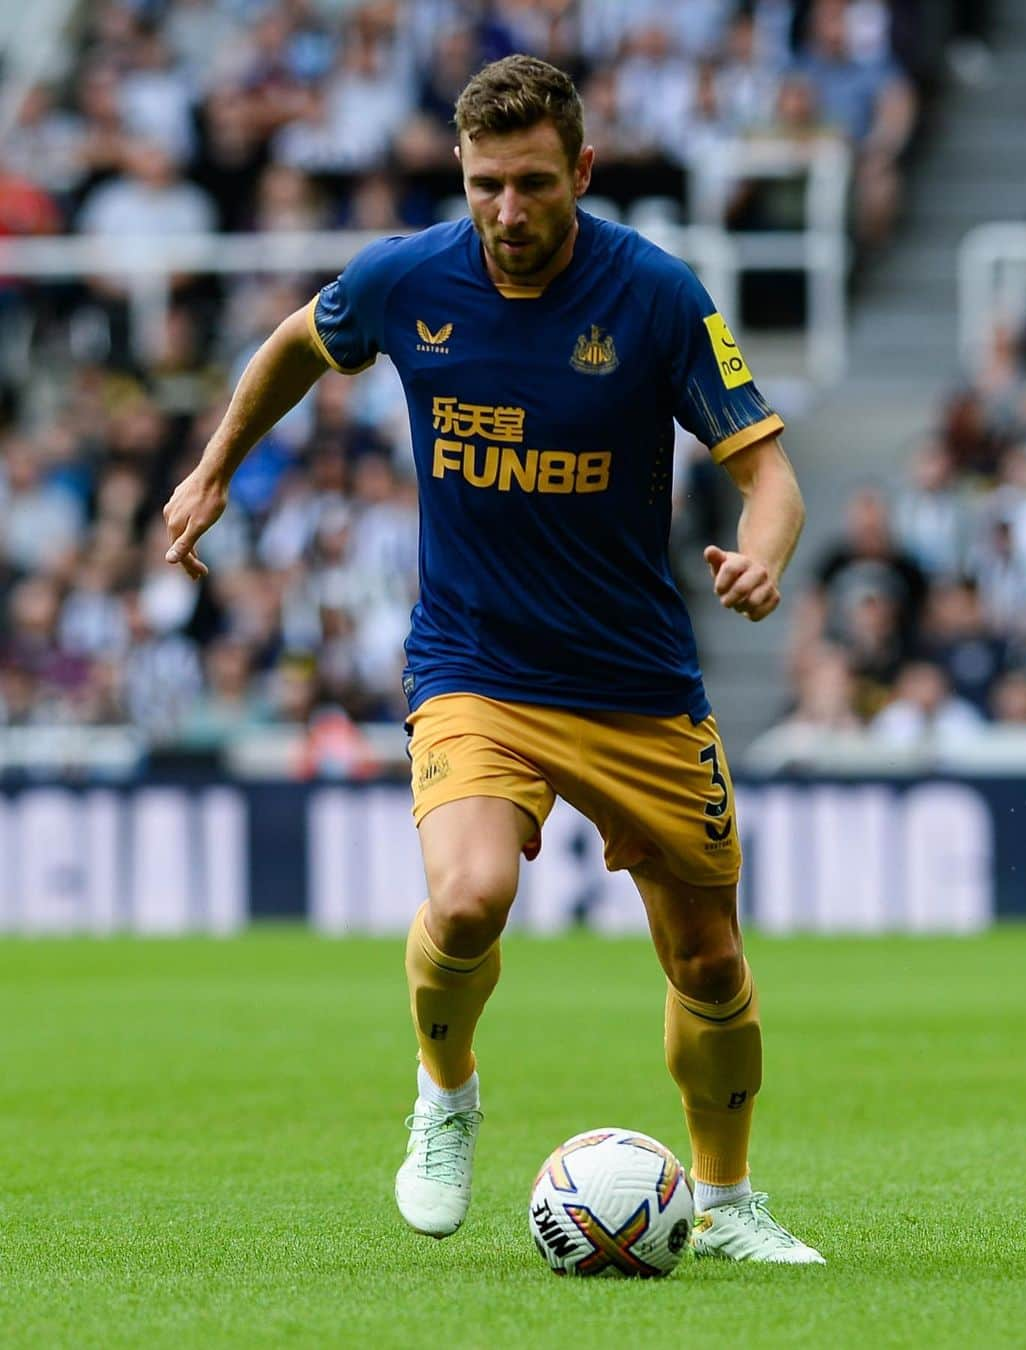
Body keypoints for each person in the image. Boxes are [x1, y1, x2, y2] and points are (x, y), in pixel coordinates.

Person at [162, 55, 821, 1266]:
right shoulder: (410, 278)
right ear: (459, 178)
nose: (506, 215)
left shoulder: (657, 297)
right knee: (466, 899)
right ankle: (446, 1095)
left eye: (530, 185)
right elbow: (302, 342)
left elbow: (766, 469)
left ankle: (725, 1201)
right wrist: (213, 468)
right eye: (482, 187)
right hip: (477, 667)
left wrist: (765, 556)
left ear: (581, 170)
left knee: (709, 958)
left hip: (635, 682)